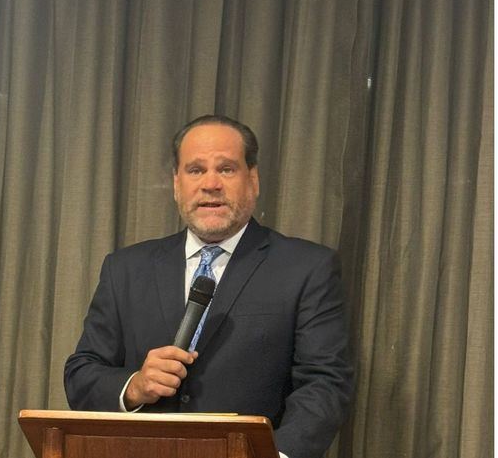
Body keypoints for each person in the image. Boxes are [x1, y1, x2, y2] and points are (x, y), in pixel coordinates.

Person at [64, 114, 354, 458]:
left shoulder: (307, 267)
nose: (210, 184)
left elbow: (324, 383)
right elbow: (83, 372)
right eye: (195, 170)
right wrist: (135, 386)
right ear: (177, 183)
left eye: (226, 169)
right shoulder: (125, 268)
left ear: (253, 180)